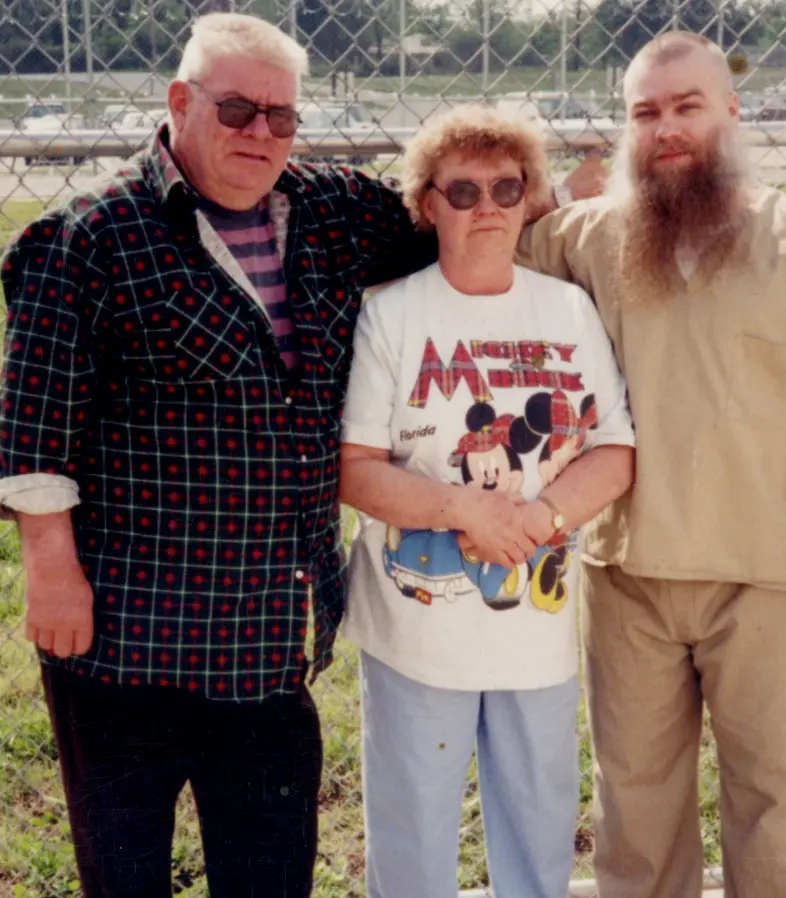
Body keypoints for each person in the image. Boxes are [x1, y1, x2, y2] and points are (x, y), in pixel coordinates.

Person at [0, 12, 606, 898]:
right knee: (126, 876)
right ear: (179, 102)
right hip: (128, 633)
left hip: (268, 636)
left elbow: (460, 215)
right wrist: (50, 570)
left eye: (281, 116)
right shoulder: (89, 236)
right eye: (237, 109)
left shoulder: (329, 210)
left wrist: (547, 199)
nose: (261, 133)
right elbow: (33, 425)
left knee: (270, 875)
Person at [517, 32, 786, 898]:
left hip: (764, 569)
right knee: (635, 805)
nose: (666, 128)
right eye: (645, 113)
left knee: (775, 797)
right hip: (627, 570)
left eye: (687, 106)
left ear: (731, 112)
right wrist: (541, 193)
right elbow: (475, 247)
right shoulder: (583, 239)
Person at [339, 105, 636, 898]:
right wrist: (463, 510)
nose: (487, 208)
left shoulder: (566, 309)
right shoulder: (392, 314)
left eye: (507, 188)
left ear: (530, 196)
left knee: (538, 841)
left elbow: (615, 449)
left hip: (534, 634)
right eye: (462, 192)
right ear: (427, 204)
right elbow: (355, 469)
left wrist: (540, 518)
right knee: (413, 843)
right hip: (416, 634)